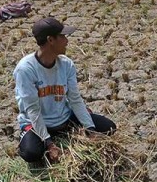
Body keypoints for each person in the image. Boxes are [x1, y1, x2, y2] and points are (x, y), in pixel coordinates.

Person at [14, 17, 116, 163]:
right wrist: (49, 143)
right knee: (31, 154)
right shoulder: (26, 69)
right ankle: (33, 137)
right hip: (38, 123)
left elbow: (75, 99)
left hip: (64, 119)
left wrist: (90, 129)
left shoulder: (66, 64)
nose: (66, 40)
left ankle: (66, 130)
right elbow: (33, 110)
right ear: (50, 40)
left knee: (109, 128)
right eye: (62, 36)